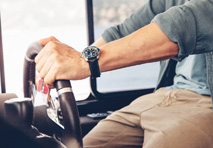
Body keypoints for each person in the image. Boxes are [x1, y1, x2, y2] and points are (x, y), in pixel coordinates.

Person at [35, 0, 213, 147]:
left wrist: (85, 63)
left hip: (206, 104)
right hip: (165, 95)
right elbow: (123, 32)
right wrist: (67, 60)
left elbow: (186, 24)